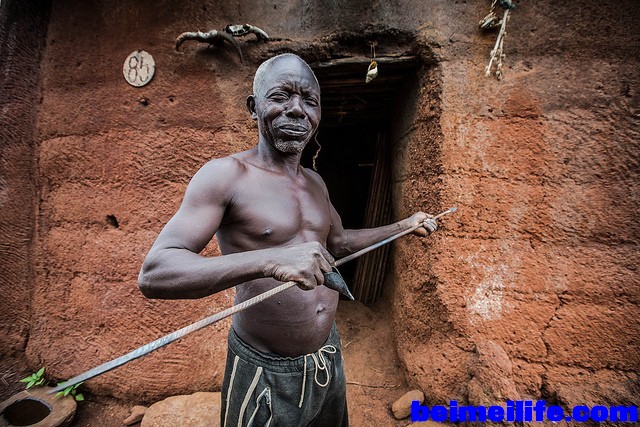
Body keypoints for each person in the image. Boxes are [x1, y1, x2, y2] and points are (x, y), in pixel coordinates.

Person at [138, 53, 437, 427]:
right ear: (254, 107)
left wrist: (403, 226)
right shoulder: (226, 176)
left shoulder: (315, 182)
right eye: (281, 96)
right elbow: (156, 272)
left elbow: (338, 243)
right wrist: (271, 260)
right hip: (265, 369)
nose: (297, 109)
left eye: (310, 101)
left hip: (327, 354)